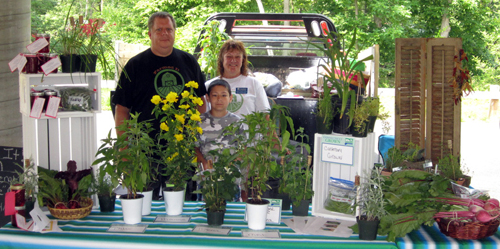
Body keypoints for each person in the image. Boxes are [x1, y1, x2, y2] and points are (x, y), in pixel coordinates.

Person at [112, 12, 207, 200]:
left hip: (181, 150)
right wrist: (125, 149)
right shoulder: (135, 65)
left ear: (174, 33)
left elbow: (202, 103)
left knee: (183, 203)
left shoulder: (189, 61)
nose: (165, 33)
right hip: (145, 150)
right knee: (144, 203)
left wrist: (194, 139)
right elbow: (121, 110)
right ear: (150, 34)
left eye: (169, 29)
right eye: (159, 30)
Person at [205, 40, 270, 117]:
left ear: (243, 59)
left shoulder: (254, 84)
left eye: (237, 57)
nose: (233, 60)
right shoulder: (209, 85)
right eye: (229, 56)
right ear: (222, 59)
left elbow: (265, 115)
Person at [195, 79, 241, 171]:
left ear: (230, 98)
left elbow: (243, 149)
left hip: (230, 176)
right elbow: (195, 148)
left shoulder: (236, 121)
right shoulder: (199, 121)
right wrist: (204, 164)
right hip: (206, 175)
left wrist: (231, 165)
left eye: (224, 95)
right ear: (207, 98)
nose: (219, 99)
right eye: (215, 95)